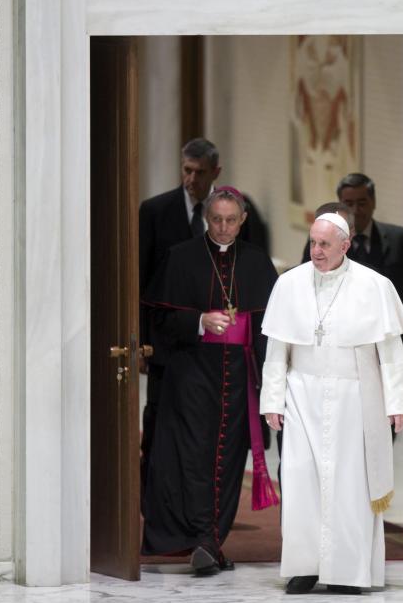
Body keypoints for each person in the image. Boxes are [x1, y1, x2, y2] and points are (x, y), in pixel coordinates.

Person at [261, 213, 403, 595]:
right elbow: (277, 349)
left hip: (354, 398)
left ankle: (348, 571)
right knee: (300, 482)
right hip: (301, 396)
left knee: (350, 486)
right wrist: (272, 400)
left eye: (325, 244)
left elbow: (391, 353)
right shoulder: (289, 284)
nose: (316, 251)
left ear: (345, 245)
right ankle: (304, 567)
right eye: (313, 242)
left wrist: (397, 403)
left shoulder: (375, 286)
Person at [141, 187, 279, 575]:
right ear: (206, 217)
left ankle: (213, 541)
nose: (222, 227)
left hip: (239, 376)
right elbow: (160, 320)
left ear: (243, 220)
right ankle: (202, 538)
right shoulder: (181, 257)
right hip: (192, 373)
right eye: (216, 219)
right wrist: (199, 322)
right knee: (195, 455)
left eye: (230, 220)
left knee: (230, 457)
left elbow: (271, 326)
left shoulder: (255, 262)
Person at [138, 138, 270, 489]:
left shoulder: (243, 210)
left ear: (216, 171)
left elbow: (253, 272)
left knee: (217, 434)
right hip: (172, 341)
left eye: (199, 172)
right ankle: (158, 496)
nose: (191, 179)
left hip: (226, 352)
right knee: (162, 424)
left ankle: (206, 505)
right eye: (187, 170)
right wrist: (143, 343)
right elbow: (143, 284)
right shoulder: (155, 211)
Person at [337, 173, 403, 370]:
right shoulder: (327, 242)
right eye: (348, 203)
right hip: (344, 341)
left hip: (391, 339)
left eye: (362, 203)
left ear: (373, 202)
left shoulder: (400, 239)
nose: (355, 210)